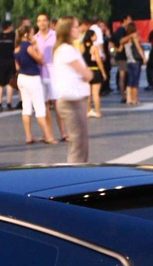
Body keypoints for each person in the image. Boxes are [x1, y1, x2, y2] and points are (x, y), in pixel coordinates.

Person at [50, 18, 94, 162]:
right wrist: (86, 74)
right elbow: (86, 73)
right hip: (71, 102)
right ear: (67, 30)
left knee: (81, 142)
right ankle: (75, 174)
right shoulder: (66, 50)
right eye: (75, 27)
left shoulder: (69, 48)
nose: (79, 29)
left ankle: (79, 171)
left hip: (76, 100)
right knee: (78, 142)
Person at [14, 24, 58, 145]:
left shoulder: (16, 48)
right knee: (40, 108)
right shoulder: (28, 47)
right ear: (27, 34)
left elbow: (17, 66)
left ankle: (28, 136)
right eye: (32, 32)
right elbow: (41, 60)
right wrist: (36, 46)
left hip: (21, 78)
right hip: (32, 78)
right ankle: (48, 136)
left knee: (26, 108)